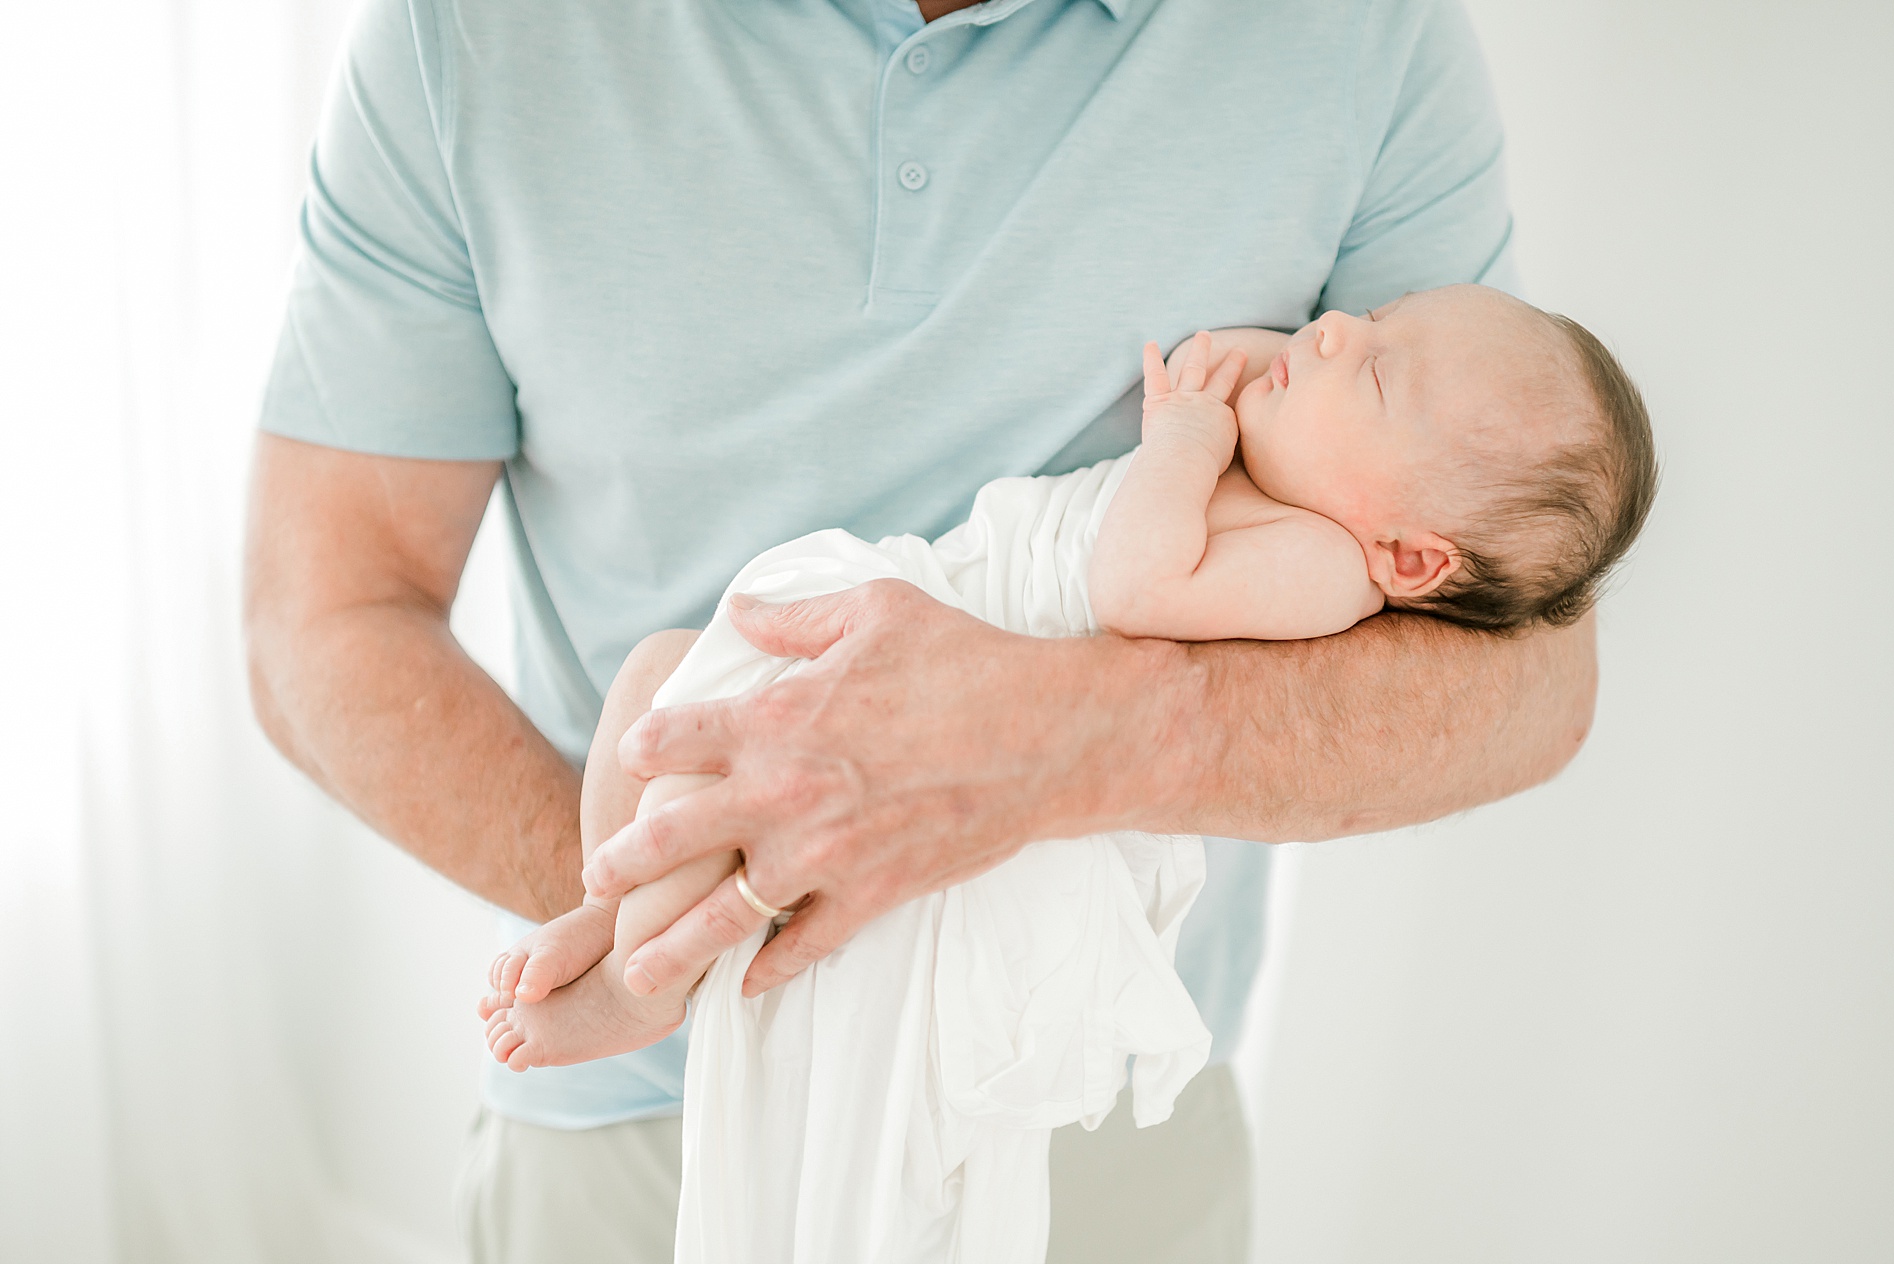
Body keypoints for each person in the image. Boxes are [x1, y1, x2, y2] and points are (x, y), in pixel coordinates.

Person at [243, 1, 1601, 1260]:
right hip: (635, 1132)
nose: (1345, 334)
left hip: (1079, 1093)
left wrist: (1044, 746)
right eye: (1350, 334)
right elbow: (324, 619)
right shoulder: (474, 34)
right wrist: (704, 903)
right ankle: (626, 949)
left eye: (1372, 350)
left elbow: (1527, 667)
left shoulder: (1351, 38)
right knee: (664, 686)